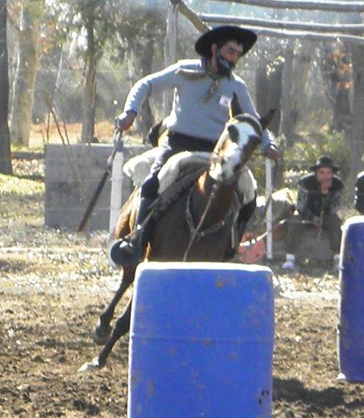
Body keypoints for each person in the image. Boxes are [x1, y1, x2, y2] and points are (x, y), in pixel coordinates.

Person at [108, 22, 271, 267]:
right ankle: (138, 240)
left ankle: (231, 246)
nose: (234, 59)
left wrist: (269, 144)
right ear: (215, 49)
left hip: (217, 150)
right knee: (153, 183)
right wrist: (130, 111)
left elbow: (253, 119)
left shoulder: (237, 86)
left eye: (238, 54)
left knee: (249, 191)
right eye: (230, 52)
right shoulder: (185, 71)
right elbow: (146, 84)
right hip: (178, 143)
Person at [293, 155, 345, 258]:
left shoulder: (338, 185)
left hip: (327, 217)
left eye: (328, 173)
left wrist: (326, 195)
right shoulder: (305, 183)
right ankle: (290, 257)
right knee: (294, 220)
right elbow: (300, 205)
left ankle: (337, 257)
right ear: (316, 173)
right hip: (307, 216)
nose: (325, 176)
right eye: (321, 172)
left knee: (335, 221)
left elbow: (336, 207)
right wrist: (312, 217)